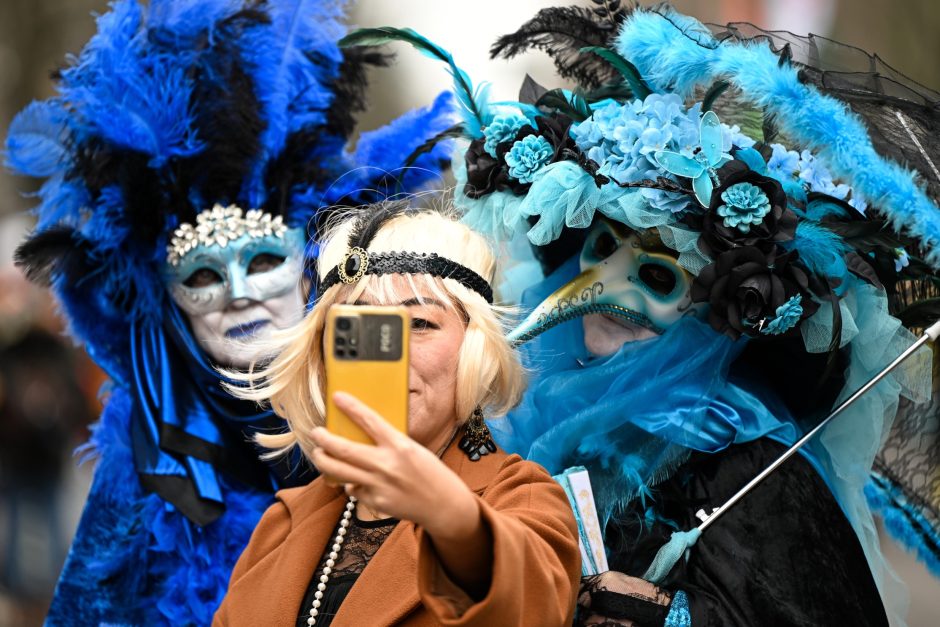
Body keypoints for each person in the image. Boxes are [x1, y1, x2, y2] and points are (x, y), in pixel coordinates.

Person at [353, 3, 940, 625]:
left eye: (657, 276)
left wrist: (669, 615)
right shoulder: (520, 423)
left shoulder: (739, 457)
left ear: (711, 311)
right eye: (602, 248)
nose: (610, 284)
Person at [7, 0, 454, 623]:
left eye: (264, 263)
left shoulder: (406, 393)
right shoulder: (149, 460)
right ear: (173, 304)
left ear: (308, 273)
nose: (238, 293)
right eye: (204, 276)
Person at [214, 202, 581, 626]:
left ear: (474, 348)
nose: (390, 353)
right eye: (362, 327)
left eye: (420, 323)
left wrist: (452, 519)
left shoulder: (520, 499)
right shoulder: (282, 525)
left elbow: (529, 608)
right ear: (324, 353)